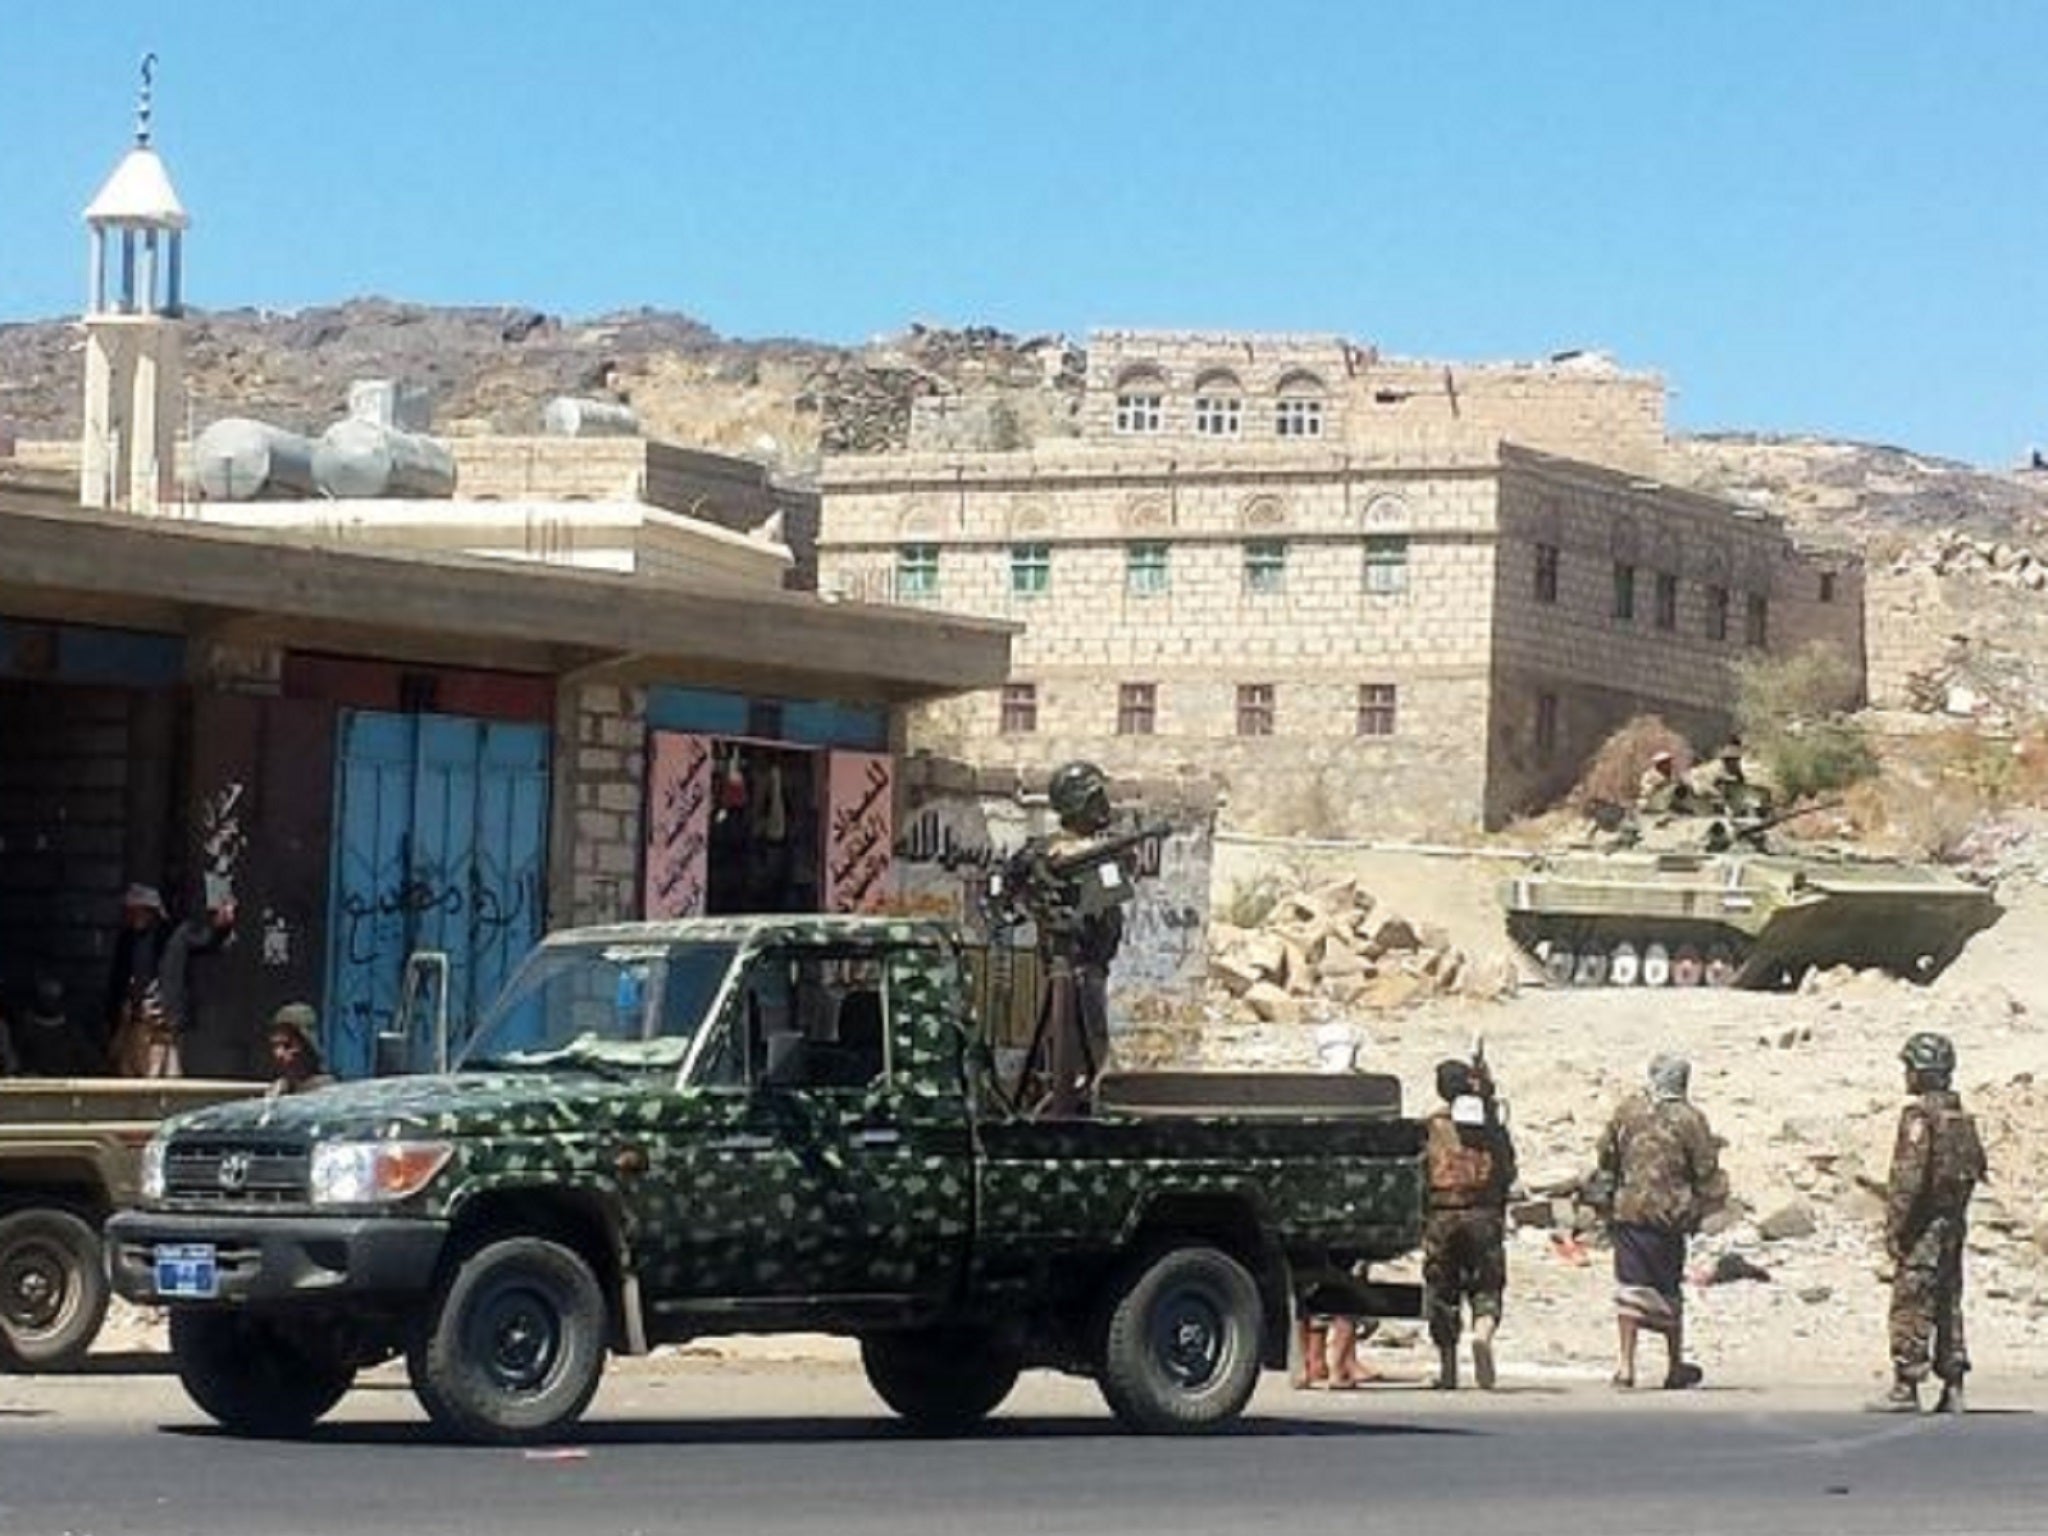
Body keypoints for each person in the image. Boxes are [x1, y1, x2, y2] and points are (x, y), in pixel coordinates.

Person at [1594, 1053, 1726, 1389]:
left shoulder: (1629, 1111)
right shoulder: (1690, 1119)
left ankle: (1625, 1366)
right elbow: (1705, 1167)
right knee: (1668, 1288)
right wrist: (1712, 1201)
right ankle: (1674, 1364)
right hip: (1671, 1214)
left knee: (1630, 1286)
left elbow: (1605, 1153)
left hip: (1628, 1210)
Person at [1871, 1032, 1986, 1414]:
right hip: (1953, 1226)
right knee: (1948, 1302)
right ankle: (1953, 1383)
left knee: (1911, 1302)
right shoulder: (1963, 1119)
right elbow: (1975, 1172)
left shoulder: (1920, 1118)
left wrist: (1896, 1228)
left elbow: (1909, 1179)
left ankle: (1907, 1384)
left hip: (1924, 1228)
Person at [1423, 1057, 1518, 1390]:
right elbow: (1508, 1171)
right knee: (1487, 1284)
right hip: (1484, 1215)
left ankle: (1448, 1369)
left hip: (1441, 1216)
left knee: (1442, 1290)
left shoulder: (1430, 1126)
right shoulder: (1490, 1126)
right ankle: (1482, 1334)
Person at [103, 882, 171, 1070]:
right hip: (131, 1015)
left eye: (138, 911)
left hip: (157, 1015)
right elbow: (118, 978)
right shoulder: (127, 940)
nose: (134, 917)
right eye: (131, 912)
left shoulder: (166, 939)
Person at [10, 976, 107, 1077]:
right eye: (46, 998)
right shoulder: (26, 1029)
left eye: (52, 998)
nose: (50, 1003)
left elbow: (92, 1061)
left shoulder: (71, 1031)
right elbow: (15, 1063)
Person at [265, 1003, 335, 1095]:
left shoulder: (326, 1089)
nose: (278, 1054)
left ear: (307, 1046)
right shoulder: (280, 1088)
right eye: (274, 1046)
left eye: (287, 1046)